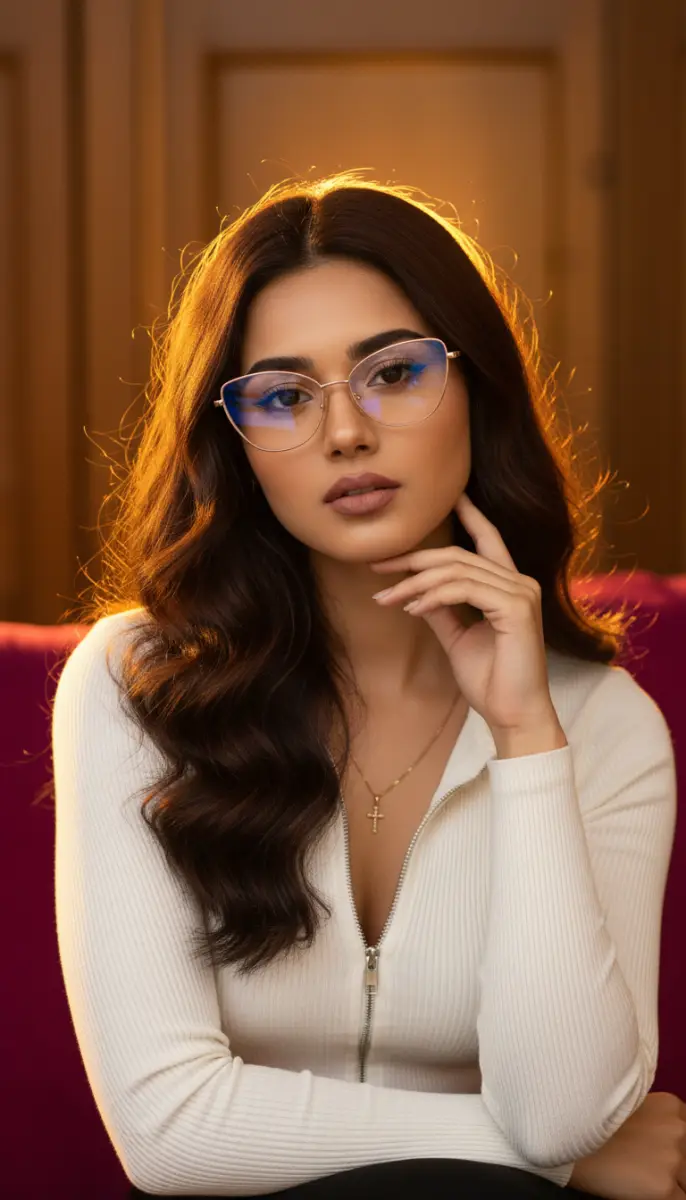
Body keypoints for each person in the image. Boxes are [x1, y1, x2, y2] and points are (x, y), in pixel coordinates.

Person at [51, 172, 680, 1199]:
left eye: (392, 373)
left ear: (476, 388)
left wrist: (524, 734)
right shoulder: (135, 688)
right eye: (284, 395)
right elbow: (167, 1131)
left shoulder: (602, 727)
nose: (344, 432)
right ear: (237, 445)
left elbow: (561, 1102)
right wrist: (561, 1161)